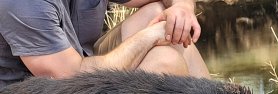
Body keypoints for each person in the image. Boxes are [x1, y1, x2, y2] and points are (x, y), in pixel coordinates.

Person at [0, 0, 210, 89]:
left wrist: (182, 7)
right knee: (165, 62)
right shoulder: (21, 3)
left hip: (84, 65)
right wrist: (150, 36)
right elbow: (72, 78)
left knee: (161, 14)